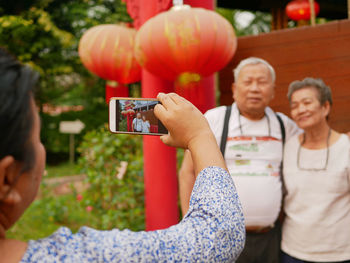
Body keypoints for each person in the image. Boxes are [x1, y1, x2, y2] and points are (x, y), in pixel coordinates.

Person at [0, 49, 245, 262]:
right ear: (6, 178)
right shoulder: (75, 257)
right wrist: (199, 136)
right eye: (37, 139)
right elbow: (218, 237)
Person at [179, 57, 301, 262]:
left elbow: (313, 143)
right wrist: (188, 224)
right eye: (248, 82)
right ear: (234, 88)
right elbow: (187, 173)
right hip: (222, 237)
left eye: (262, 82)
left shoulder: (284, 125)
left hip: (270, 237)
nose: (255, 88)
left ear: (272, 89)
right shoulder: (215, 119)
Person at [281, 77, 350, 263]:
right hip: (292, 251)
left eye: (307, 102)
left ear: (325, 107)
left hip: (339, 253)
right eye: (294, 105)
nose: (300, 109)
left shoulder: (346, 147)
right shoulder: (287, 147)